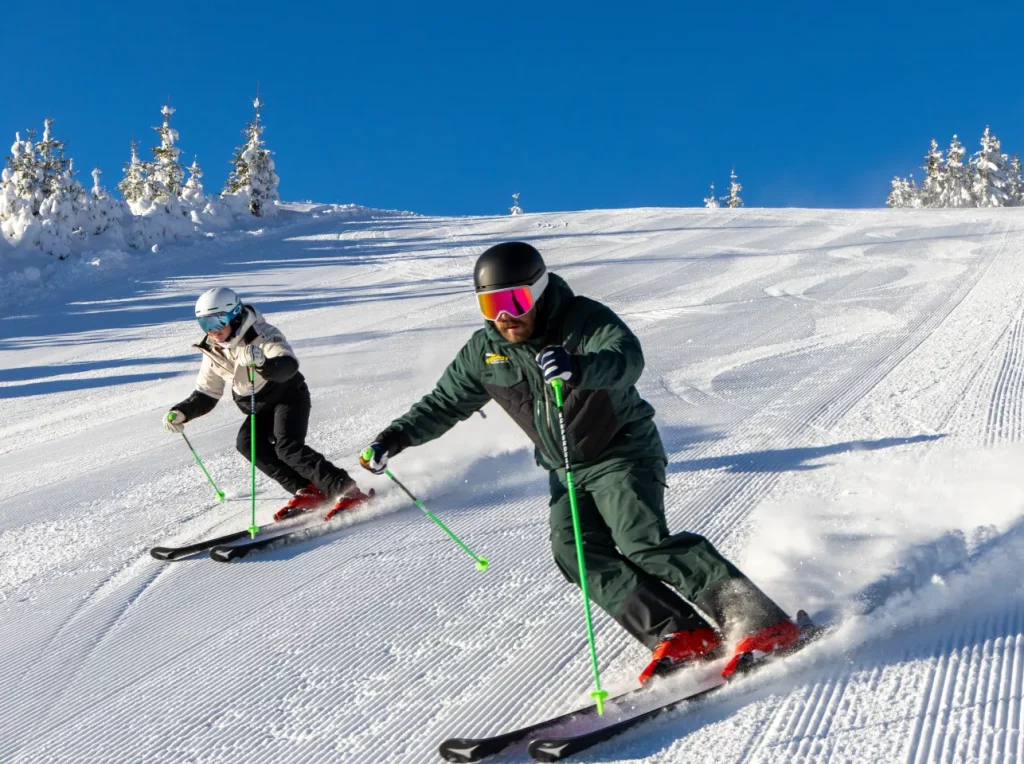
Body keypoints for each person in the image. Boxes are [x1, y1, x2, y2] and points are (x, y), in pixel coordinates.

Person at [359, 241, 800, 683]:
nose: (503, 316)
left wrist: (579, 365)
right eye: (490, 305)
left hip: (622, 447)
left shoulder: (583, 319)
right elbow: (444, 402)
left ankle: (764, 623)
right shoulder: (485, 350)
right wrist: (393, 438)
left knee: (640, 541)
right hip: (565, 467)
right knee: (576, 553)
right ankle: (682, 634)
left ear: (539, 289)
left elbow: (627, 359)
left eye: (514, 300)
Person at [164, 287, 369, 521]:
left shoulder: (262, 334)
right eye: (204, 324)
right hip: (258, 406)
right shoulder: (213, 350)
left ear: (235, 315)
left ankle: (346, 490)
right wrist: (182, 412)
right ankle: (307, 489)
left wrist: (263, 363)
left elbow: (288, 365)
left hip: (288, 395)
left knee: (288, 447)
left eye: (217, 321)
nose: (212, 331)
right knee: (248, 444)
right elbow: (207, 393)